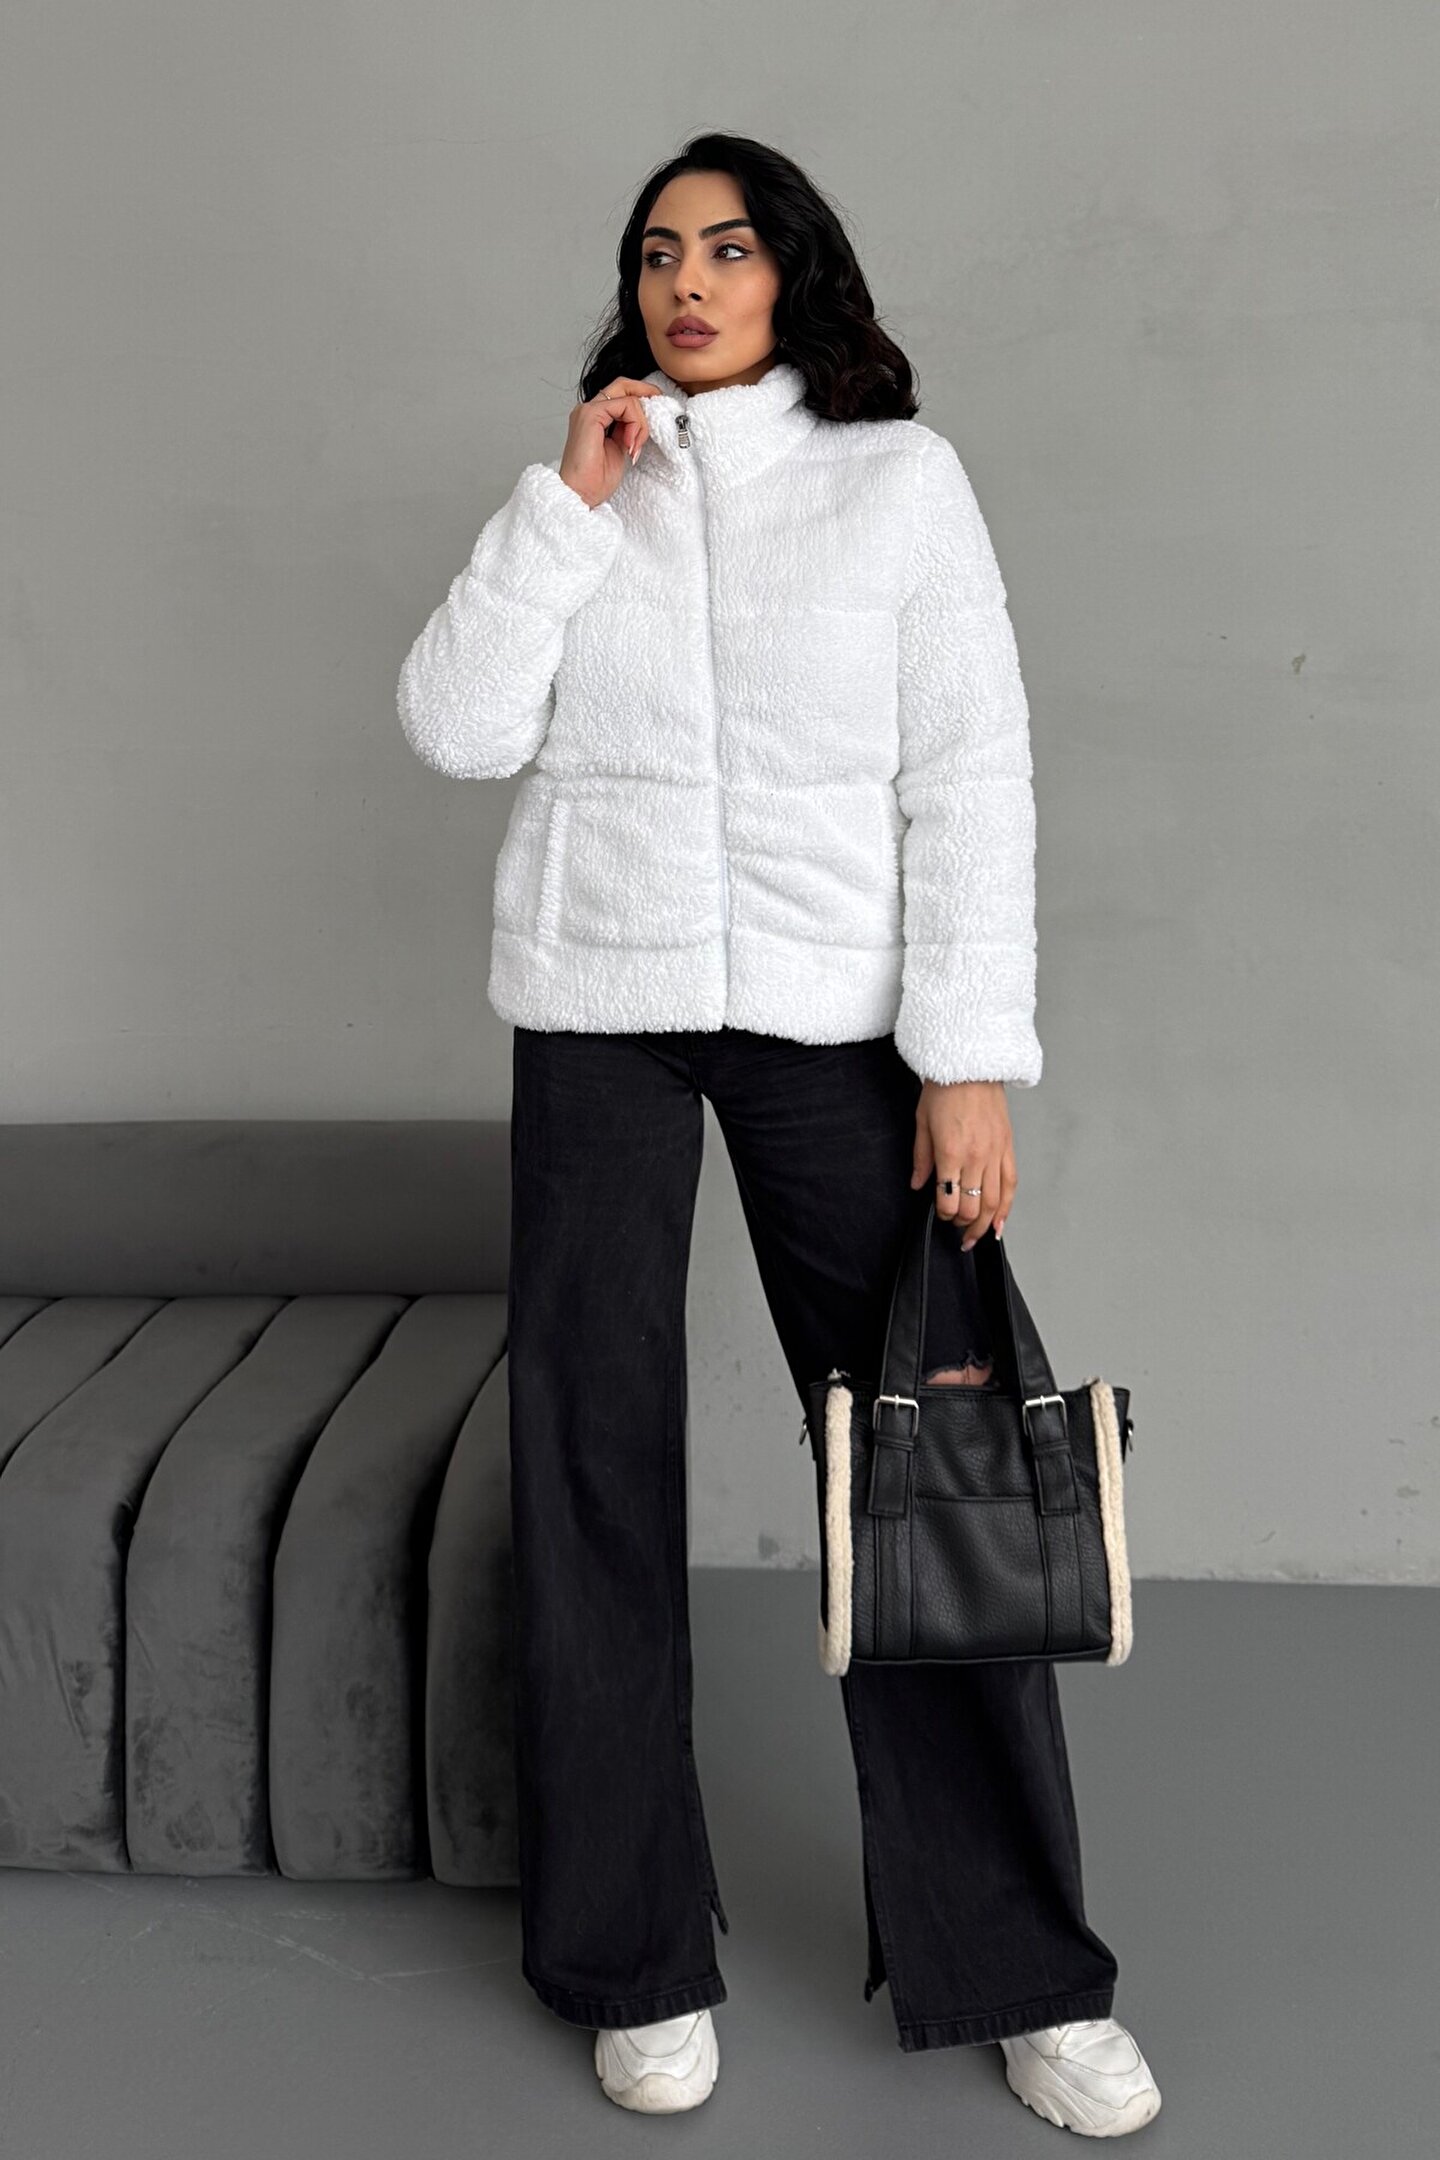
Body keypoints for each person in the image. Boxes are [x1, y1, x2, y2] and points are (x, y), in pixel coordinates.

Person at [396, 132, 1160, 2134]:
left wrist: (966, 1058)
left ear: (793, 272)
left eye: (727, 248)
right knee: (589, 1466)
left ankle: (1024, 1971)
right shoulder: (593, 494)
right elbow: (455, 728)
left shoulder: (900, 482)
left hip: (833, 1029)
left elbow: (971, 770)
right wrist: (564, 508)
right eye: (658, 251)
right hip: (602, 1019)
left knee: (931, 1472)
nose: (687, 280)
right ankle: (631, 1959)